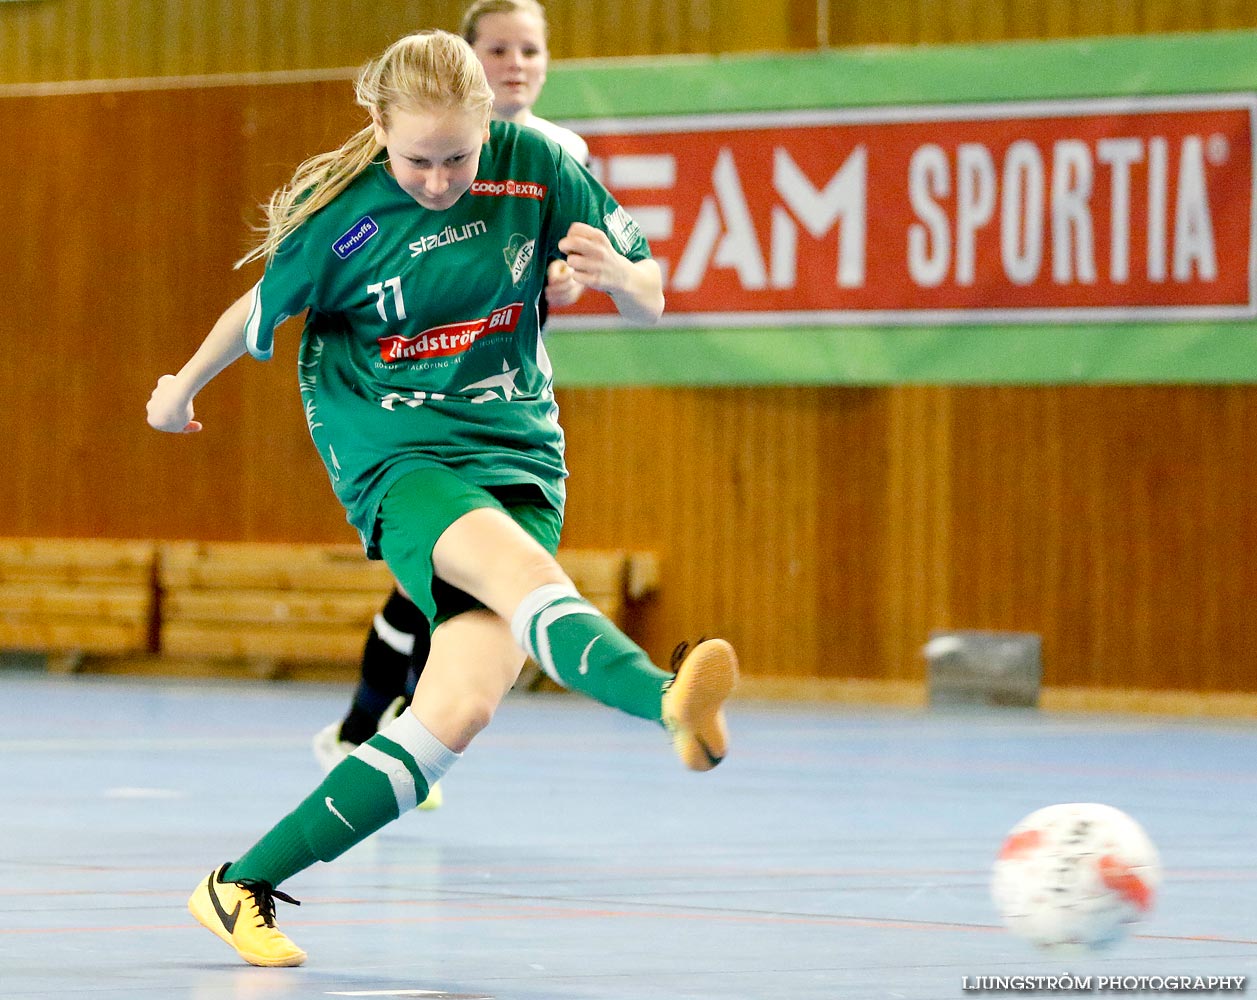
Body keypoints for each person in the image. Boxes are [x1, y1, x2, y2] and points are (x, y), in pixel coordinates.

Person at [147, 29, 738, 968]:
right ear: (379, 129)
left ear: (485, 130)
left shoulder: (537, 165)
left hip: (516, 448)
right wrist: (178, 389)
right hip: (395, 450)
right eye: (417, 159)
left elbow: (651, 296)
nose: (437, 178)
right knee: (519, 575)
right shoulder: (341, 214)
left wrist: (613, 274)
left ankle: (239, 887)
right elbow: (254, 314)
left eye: (457, 157)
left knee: (457, 709)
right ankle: (667, 698)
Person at [312, 0, 594, 803]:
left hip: (500, 410)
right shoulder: (403, 154)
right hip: (409, 404)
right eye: (499, 49)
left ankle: (372, 731)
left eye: (530, 50)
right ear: (466, 63)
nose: (517, 63)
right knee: (432, 582)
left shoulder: (556, 154)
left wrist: (566, 281)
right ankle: (372, 731)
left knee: (442, 587)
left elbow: (557, 267)